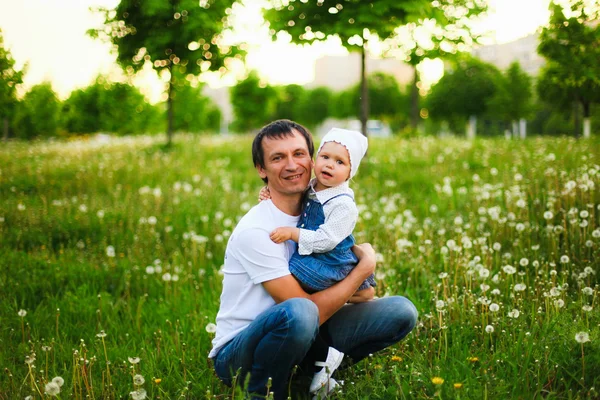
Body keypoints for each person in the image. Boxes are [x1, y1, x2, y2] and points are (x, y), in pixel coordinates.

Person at [209, 119, 418, 400]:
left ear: (311, 158)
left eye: (298, 154)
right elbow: (307, 309)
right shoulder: (256, 231)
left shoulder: (320, 210)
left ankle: (313, 369)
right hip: (240, 352)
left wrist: (358, 290)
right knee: (300, 312)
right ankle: (265, 391)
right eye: (278, 158)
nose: (292, 165)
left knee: (401, 311)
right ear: (262, 169)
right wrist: (363, 270)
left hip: (303, 331)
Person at [266, 128, 375, 393]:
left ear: (350, 173)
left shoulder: (343, 204)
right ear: (316, 160)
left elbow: (327, 240)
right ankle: (319, 362)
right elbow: (291, 194)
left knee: (296, 283)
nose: (330, 165)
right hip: (317, 254)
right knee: (308, 307)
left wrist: (293, 233)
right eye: (326, 156)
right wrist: (267, 192)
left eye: (340, 162)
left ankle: (322, 354)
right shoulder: (314, 185)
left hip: (330, 260)